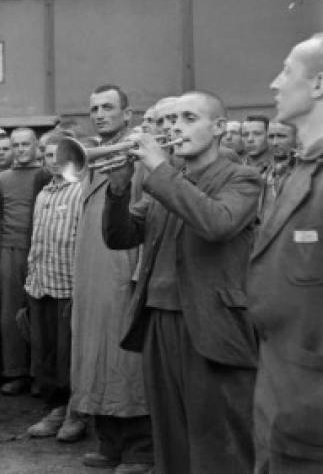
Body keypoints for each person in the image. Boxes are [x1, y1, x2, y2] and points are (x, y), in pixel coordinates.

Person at [103, 90, 261, 474]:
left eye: (189, 118)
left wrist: (159, 171)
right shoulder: (168, 182)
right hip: (159, 321)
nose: (175, 127)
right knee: (170, 437)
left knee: (218, 440)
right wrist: (120, 188)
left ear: (219, 128)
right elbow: (121, 237)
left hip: (211, 323)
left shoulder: (241, 177)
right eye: (171, 121)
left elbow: (217, 223)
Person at [249, 34, 323, 473]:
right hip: (281, 393)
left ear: (318, 84)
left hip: (311, 403)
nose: (275, 84)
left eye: (287, 71)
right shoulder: (302, 167)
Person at [68, 85, 153, 469]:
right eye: (94, 108)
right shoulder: (91, 157)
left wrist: (138, 273)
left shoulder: (138, 153)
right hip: (92, 273)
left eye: (108, 107)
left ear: (128, 114)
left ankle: (139, 447)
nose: (99, 114)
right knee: (94, 354)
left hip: (122, 269)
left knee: (126, 358)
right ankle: (109, 441)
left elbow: (145, 215)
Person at [25, 132, 82, 439]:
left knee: (67, 356)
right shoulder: (44, 193)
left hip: (68, 288)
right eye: (48, 156)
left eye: (61, 154)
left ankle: (74, 412)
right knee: (44, 353)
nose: (55, 161)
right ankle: (55, 409)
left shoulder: (80, 190)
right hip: (39, 284)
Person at [0, 127, 51, 396]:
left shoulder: (46, 175)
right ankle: (14, 371)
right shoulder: (2, 179)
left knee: (40, 313)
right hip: (10, 250)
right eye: (15, 145)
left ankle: (40, 374)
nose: (20, 149)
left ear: (36, 146)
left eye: (25, 144)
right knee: (9, 314)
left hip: (41, 250)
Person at [260, 120, 297, 220]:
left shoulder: (308, 171)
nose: (275, 142)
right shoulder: (262, 171)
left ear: (296, 138)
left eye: (281, 136)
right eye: (271, 137)